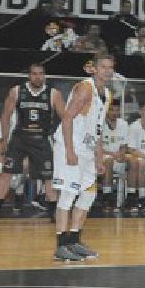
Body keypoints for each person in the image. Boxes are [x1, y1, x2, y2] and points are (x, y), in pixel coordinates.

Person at [50, 54, 114, 261]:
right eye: (102, 67)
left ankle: (74, 240)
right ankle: (60, 245)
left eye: (110, 67)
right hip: (72, 146)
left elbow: (97, 128)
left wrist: (99, 156)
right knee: (68, 194)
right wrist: (69, 150)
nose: (107, 70)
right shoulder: (85, 88)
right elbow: (67, 118)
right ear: (93, 69)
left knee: (88, 194)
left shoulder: (107, 94)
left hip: (87, 150)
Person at [0, 64, 65, 224]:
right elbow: (6, 116)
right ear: (29, 75)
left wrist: (64, 141)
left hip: (41, 138)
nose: (37, 77)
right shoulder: (16, 91)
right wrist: (3, 140)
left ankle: (53, 212)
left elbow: (65, 118)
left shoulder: (53, 94)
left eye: (40, 74)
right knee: (6, 174)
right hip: (20, 138)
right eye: (34, 74)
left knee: (48, 176)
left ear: (45, 76)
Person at [99, 99, 128, 210]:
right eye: (111, 110)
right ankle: (107, 196)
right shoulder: (99, 124)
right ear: (106, 110)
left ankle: (132, 197)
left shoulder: (123, 124)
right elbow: (97, 147)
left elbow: (124, 145)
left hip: (119, 157)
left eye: (117, 110)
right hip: (101, 157)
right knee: (109, 160)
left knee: (135, 162)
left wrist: (121, 154)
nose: (114, 113)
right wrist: (112, 154)